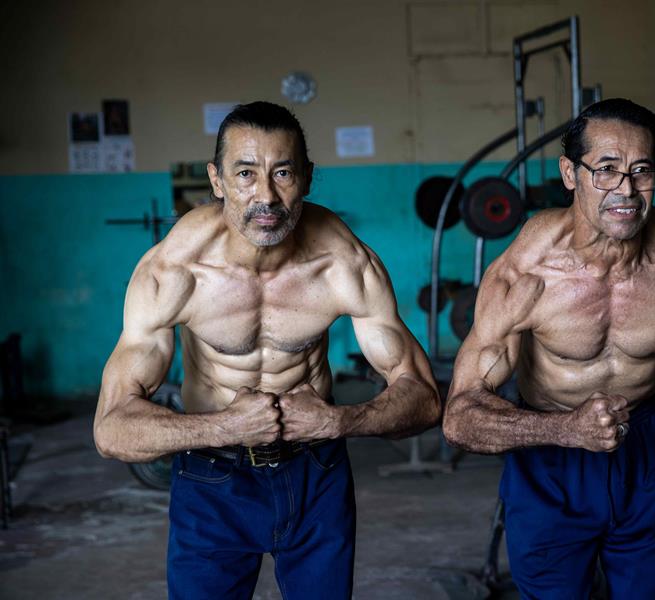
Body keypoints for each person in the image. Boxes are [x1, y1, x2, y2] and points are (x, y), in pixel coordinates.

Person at [94, 101, 440, 599]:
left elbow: (425, 398)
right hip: (211, 477)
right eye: (245, 173)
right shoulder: (173, 272)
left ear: (307, 177)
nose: (267, 196)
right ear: (217, 181)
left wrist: (338, 421)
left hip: (315, 471)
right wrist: (225, 427)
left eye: (282, 172)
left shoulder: (344, 264)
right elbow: (110, 429)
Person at [443, 98, 655, 600]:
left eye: (642, 171)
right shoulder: (527, 274)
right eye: (607, 170)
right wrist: (562, 430)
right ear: (570, 173)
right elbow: (459, 417)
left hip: (649, 450)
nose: (626, 190)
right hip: (551, 457)